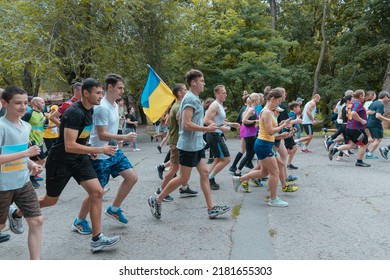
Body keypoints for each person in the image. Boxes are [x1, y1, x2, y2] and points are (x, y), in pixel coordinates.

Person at [39, 78, 121, 252]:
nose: (101, 96)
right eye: (98, 93)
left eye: (101, 92)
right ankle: (17, 211)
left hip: (79, 159)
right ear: (86, 93)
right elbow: (69, 145)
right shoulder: (74, 112)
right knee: (50, 200)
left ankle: (97, 238)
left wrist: (89, 148)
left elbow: (80, 138)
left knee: (97, 192)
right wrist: (100, 149)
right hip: (61, 160)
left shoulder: (90, 110)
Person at [148, 69, 230, 219]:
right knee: (183, 179)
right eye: (202, 81)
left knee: (204, 173)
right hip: (188, 146)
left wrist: (212, 127)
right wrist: (206, 128)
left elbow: (181, 116)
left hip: (197, 144)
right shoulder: (191, 99)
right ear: (194, 83)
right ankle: (156, 199)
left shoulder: (192, 98)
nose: (204, 83)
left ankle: (211, 208)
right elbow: (185, 124)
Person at [87, 73, 138, 226]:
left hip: (113, 151)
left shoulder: (115, 105)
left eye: (123, 88)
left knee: (131, 178)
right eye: (119, 88)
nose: (122, 91)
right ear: (110, 87)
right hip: (101, 154)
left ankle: (114, 209)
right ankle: (80, 220)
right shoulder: (101, 108)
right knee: (96, 193)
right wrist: (124, 138)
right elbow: (102, 135)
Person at [0, 85, 43, 258]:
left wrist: (31, 164)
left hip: (23, 182)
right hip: (2, 186)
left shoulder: (26, 126)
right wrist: (27, 153)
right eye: (18, 103)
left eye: (25, 103)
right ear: (4, 103)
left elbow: (15, 154)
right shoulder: (1, 126)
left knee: (37, 221)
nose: (23, 106)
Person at [232, 88, 292, 207]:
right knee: (274, 172)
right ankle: (273, 199)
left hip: (265, 144)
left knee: (264, 172)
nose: (279, 103)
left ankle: (239, 179)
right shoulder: (267, 112)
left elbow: (268, 130)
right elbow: (270, 131)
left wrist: (281, 126)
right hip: (263, 145)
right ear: (273, 99)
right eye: (279, 100)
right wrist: (283, 126)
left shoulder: (268, 111)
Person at [155, 83, 198, 202]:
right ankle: (160, 191)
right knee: (174, 168)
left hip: (177, 141)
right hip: (177, 142)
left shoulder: (178, 105)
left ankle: (184, 187)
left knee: (179, 168)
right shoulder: (178, 107)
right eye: (185, 90)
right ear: (180, 93)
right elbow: (184, 124)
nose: (187, 91)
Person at [204, 85, 239, 190]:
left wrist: (231, 124)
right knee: (226, 159)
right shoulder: (214, 105)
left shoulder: (219, 105)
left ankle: (207, 177)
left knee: (218, 159)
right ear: (217, 94)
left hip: (215, 134)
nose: (225, 94)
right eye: (223, 93)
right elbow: (206, 120)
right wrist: (221, 128)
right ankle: (210, 179)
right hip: (214, 135)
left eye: (225, 92)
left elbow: (219, 120)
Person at [328, 89, 371, 167]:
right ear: (360, 96)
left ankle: (334, 150)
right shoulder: (358, 104)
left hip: (349, 127)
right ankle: (359, 161)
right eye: (364, 95)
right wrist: (361, 120)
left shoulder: (351, 104)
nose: (364, 97)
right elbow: (353, 113)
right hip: (356, 128)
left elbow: (348, 114)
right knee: (364, 144)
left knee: (351, 145)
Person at [232, 93, 261, 183]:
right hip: (250, 135)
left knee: (249, 154)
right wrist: (256, 121)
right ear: (255, 100)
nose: (260, 100)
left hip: (249, 134)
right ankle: (256, 174)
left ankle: (238, 171)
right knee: (259, 151)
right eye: (259, 99)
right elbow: (244, 120)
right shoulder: (251, 109)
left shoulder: (250, 108)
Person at [21, 97, 47, 188]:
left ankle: (29, 177)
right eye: (42, 102)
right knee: (42, 159)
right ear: (35, 103)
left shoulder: (41, 113)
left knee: (34, 161)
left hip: (39, 140)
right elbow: (21, 125)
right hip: (32, 141)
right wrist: (26, 138)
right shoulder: (29, 114)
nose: (44, 104)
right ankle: (30, 177)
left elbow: (42, 126)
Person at [365, 91, 390, 159]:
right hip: (375, 124)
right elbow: (378, 116)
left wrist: (372, 113)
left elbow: (367, 111)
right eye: (388, 97)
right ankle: (369, 154)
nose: (388, 99)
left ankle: (362, 148)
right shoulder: (380, 104)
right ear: (385, 96)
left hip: (369, 122)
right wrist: (388, 120)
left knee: (373, 139)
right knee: (378, 139)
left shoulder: (374, 102)